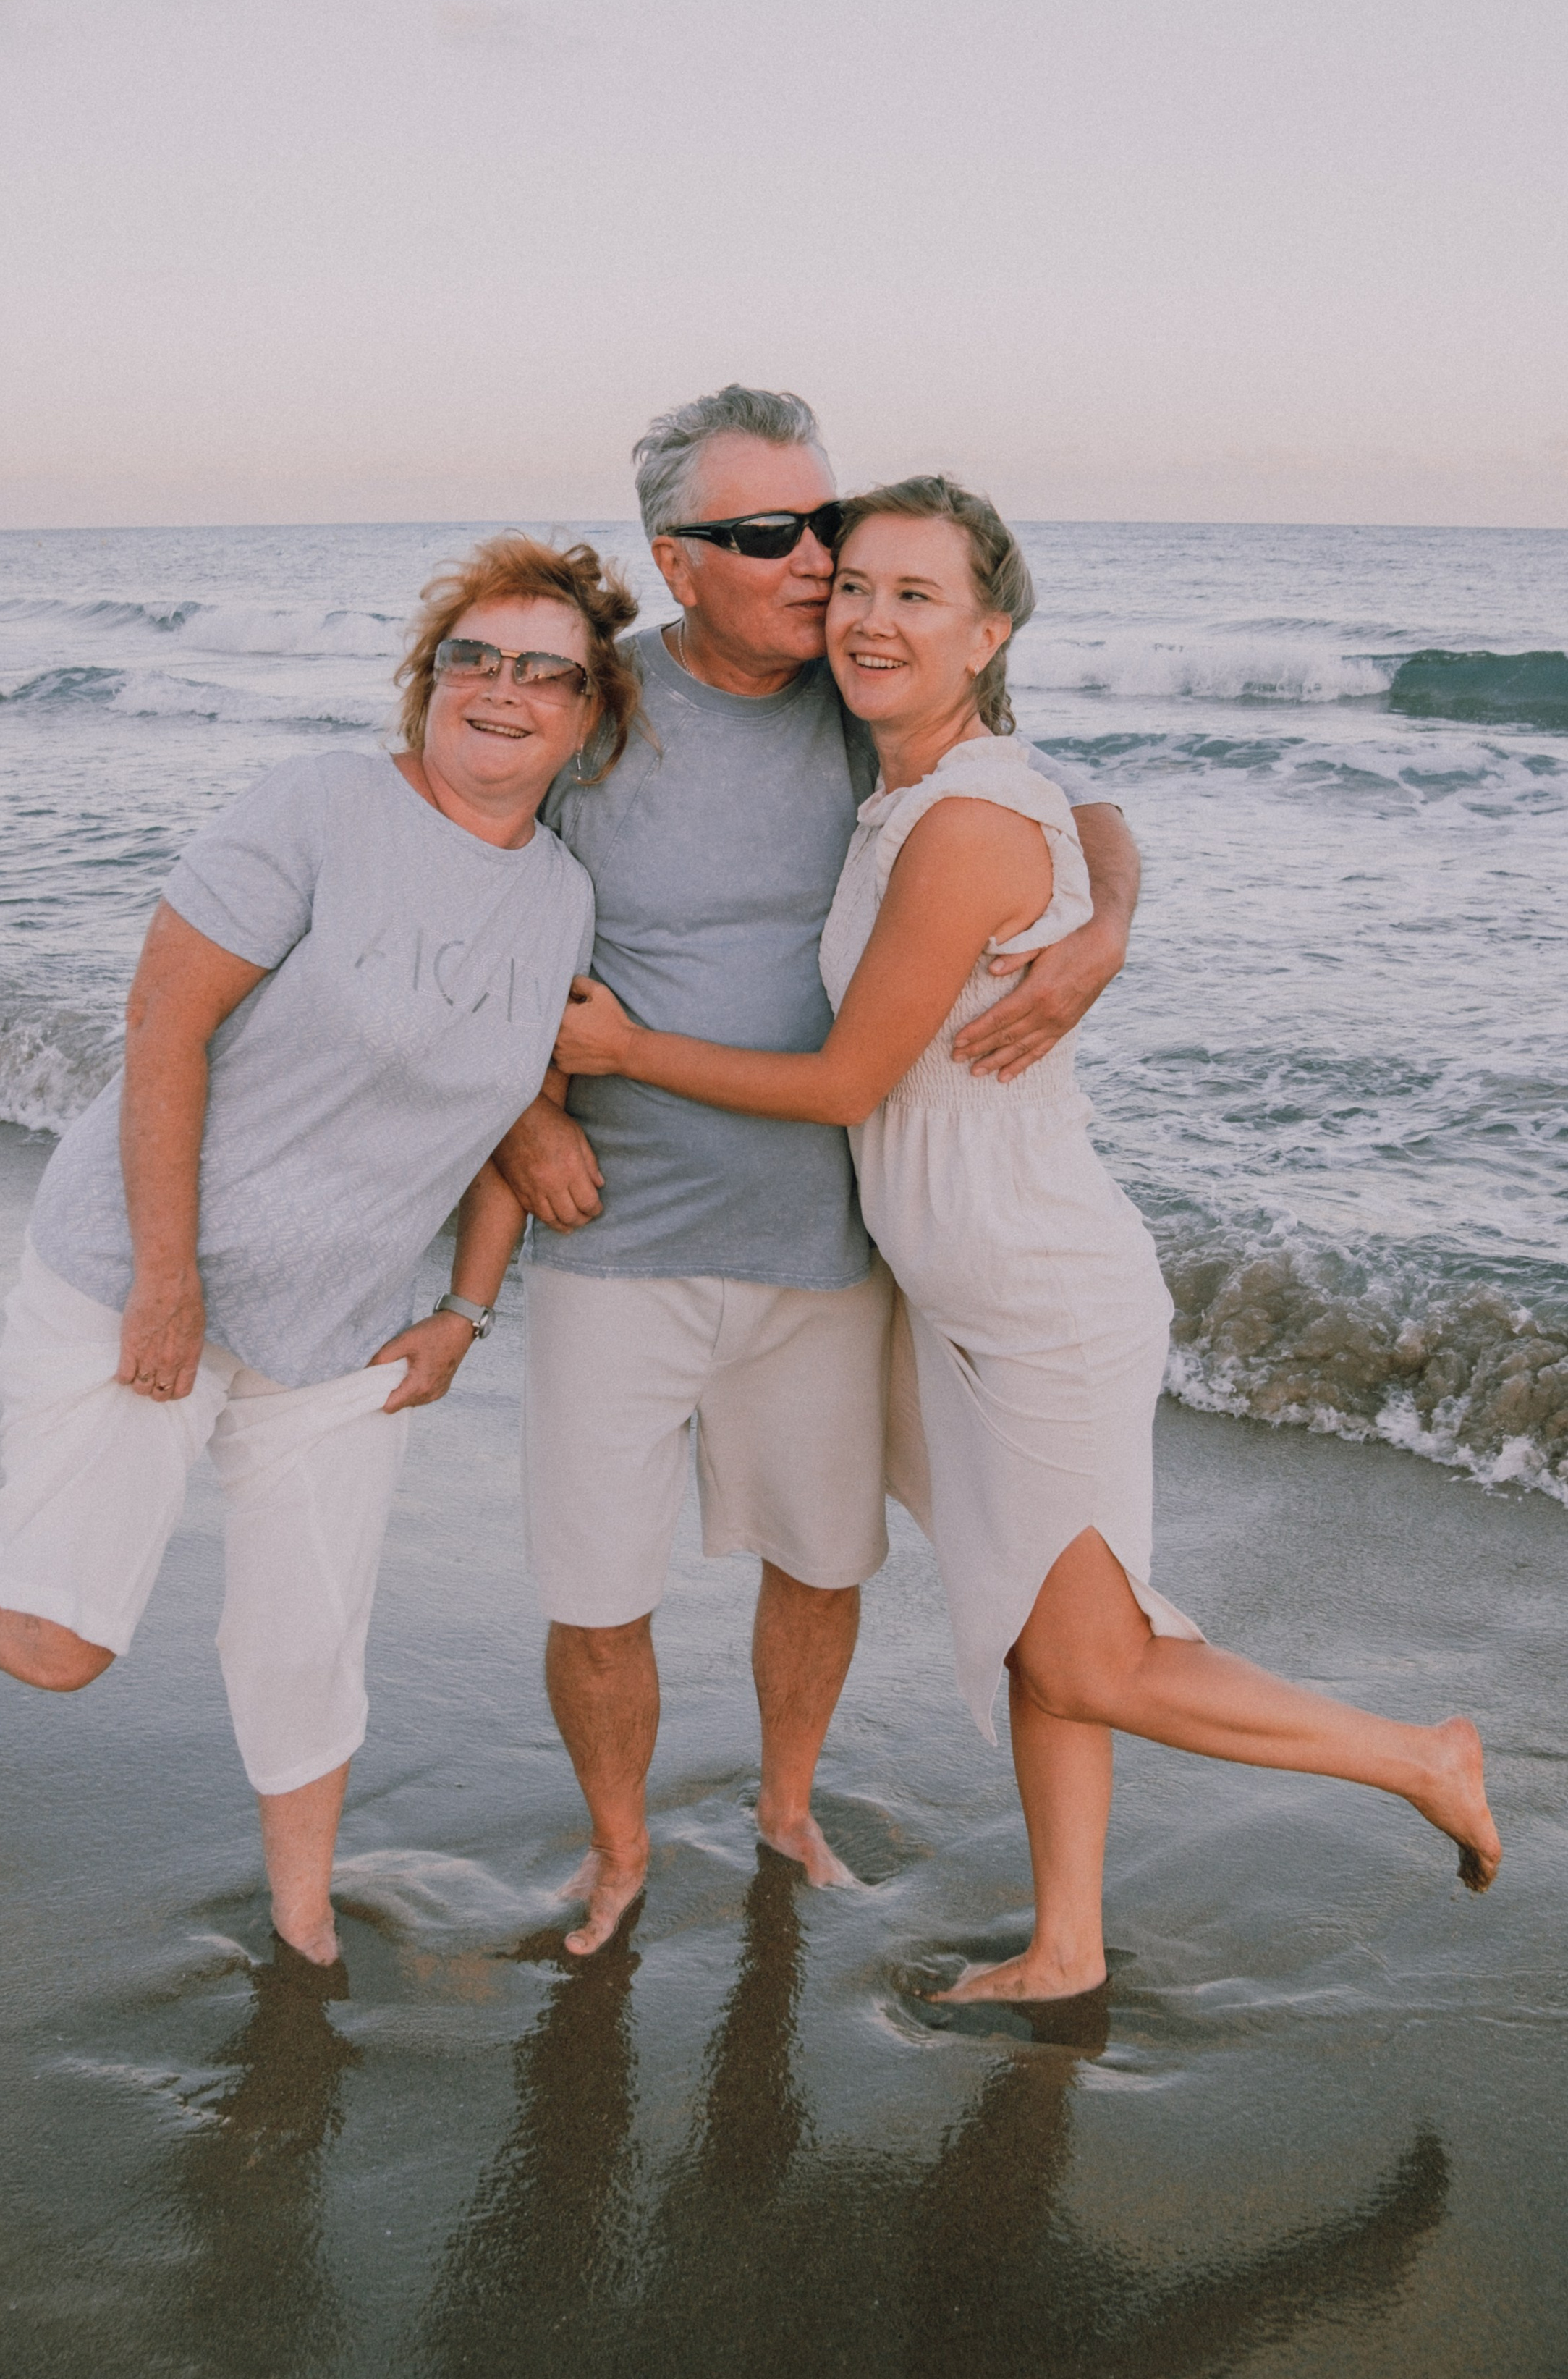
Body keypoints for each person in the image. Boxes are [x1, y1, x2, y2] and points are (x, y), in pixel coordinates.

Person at [555, 473, 1501, 2000]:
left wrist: (618, 1053)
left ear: (988, 628)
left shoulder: (964, 821)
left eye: (913, 597)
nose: (867, 618)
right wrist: (1109, 908)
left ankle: (1415, 1753)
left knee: (1087, 1655)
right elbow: (1094, 807)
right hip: (952, 1293)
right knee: (1036, 1624)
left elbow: (847, 1081)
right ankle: (1065, 1944)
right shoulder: (919, 778)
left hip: (1034, 1293)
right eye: (853, 586)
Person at [0, 536, 639, 1968]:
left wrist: (463, 1309)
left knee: (307, 1637)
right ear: (428, 677)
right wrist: (166, 1276)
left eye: (545, 673)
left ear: (589, 717)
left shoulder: (559, 899)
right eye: (474, 658)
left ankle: (304, 1923)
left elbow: (521, 1104)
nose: (501, 692)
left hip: (341, 1324)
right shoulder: (321, 806)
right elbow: (165, 1024)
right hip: (141, 1270)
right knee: (55, 1639)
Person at [494, 389, 1144, 1956]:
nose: (821, 568)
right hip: (612, 1226)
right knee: (593, 1586)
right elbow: (471, 900)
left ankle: (785, 1807)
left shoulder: (867, 700)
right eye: (774, 537)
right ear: (676, 558)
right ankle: (617, 1852)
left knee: (819, 1558)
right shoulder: (596, 706)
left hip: (824, 1235)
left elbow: (1065, 802)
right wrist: (524, 1119)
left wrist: (1106, 925)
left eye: (832, 529)